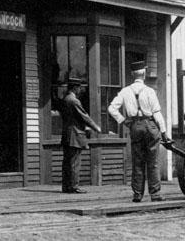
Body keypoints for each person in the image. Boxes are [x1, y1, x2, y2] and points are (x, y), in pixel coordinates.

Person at [107, 61, 171, 202]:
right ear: (144, 74)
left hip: (134, 126)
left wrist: (124, 121)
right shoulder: (149, 91)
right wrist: (164, 132)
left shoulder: (125, 91)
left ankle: (137, 194)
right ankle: (155, 194)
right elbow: (157, 113)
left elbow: (111, 109)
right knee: (153, 161)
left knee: (138, 162)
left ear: (132, 74)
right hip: (150, 125)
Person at [59, 76, 102, 194]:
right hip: (75, 135)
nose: (80, 90)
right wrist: (96, 127)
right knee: (74, 162)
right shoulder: (74, 101)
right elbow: (84, 116)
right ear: (75, 88)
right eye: (79, 88)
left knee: (67, 162)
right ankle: (74, 186)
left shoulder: (65, 99)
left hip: (67, 134)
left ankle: (66, 186)